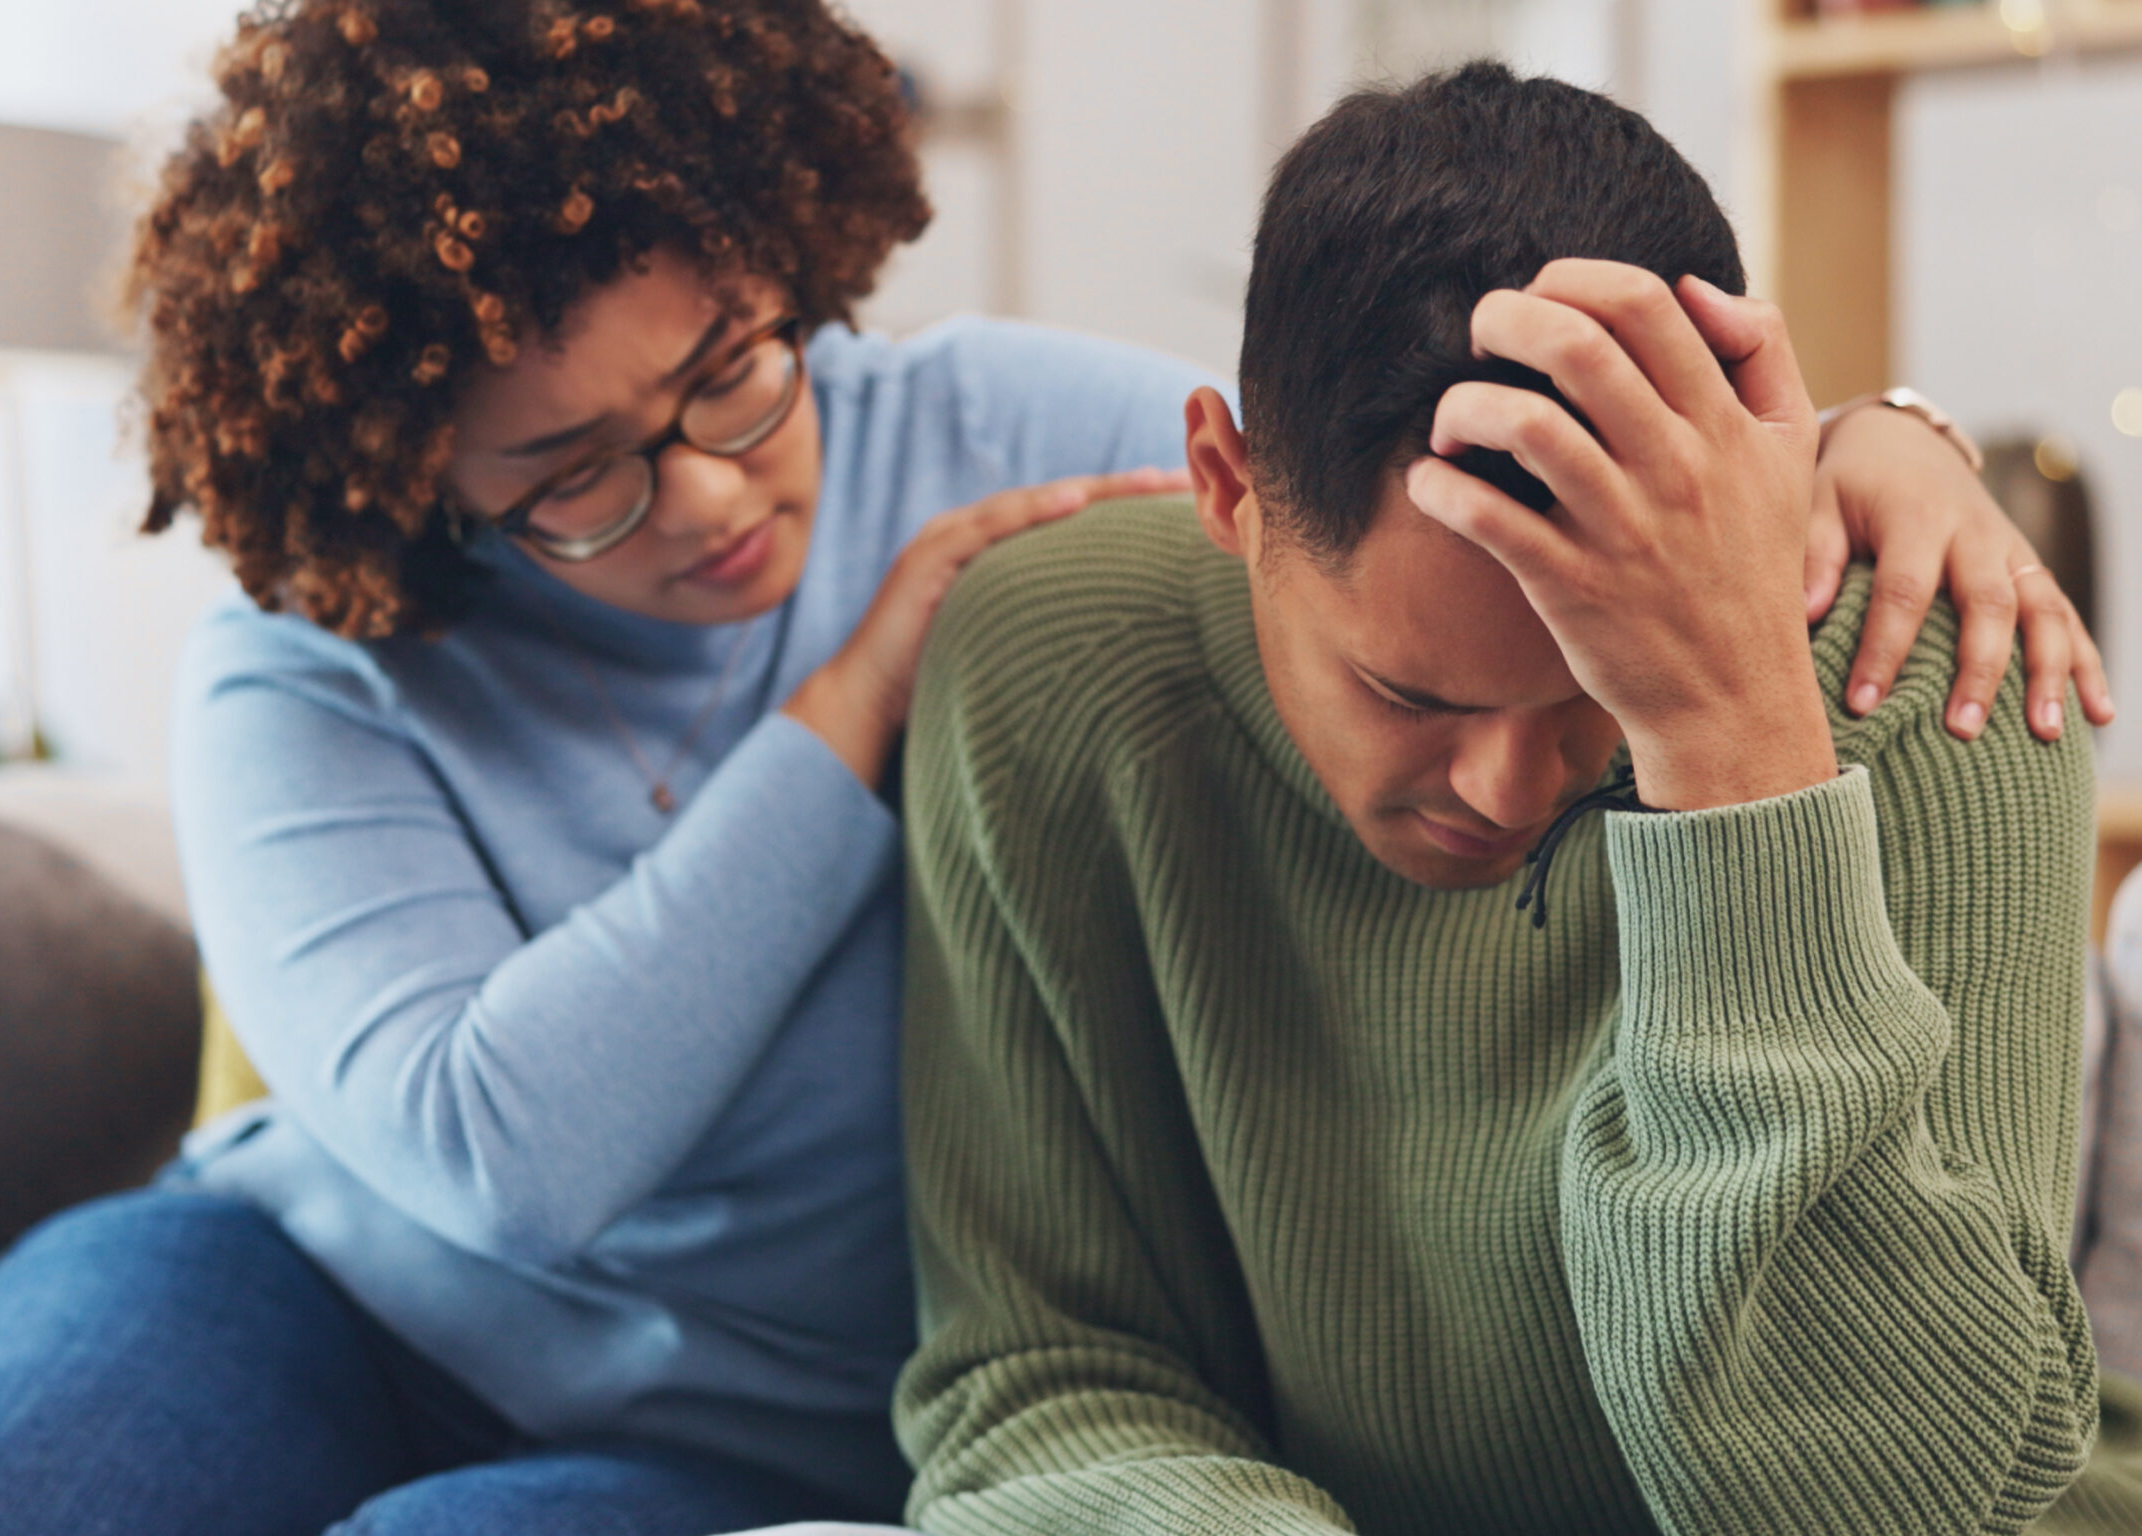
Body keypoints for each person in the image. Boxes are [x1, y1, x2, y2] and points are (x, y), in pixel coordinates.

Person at [0, 4, 2099, 1532]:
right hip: (321, 1280)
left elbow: (1405, 454)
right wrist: (859, 694)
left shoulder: (1007, 441)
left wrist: (1859, 447)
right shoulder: (317, 666)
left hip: (750, 1423)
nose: (704, 494)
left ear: (780, 265)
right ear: (402, 477)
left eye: (727, 375)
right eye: (569, 475)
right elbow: (503, 1166)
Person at [897, 63, 2142, 1536]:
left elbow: (1894, 1508)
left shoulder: (1937, 675)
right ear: (1226, 487)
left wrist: (1731, 748)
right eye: (1411, 697)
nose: (1505, 789)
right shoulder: (1055, 666)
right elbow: (1041, 1377)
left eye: (1594, 705)